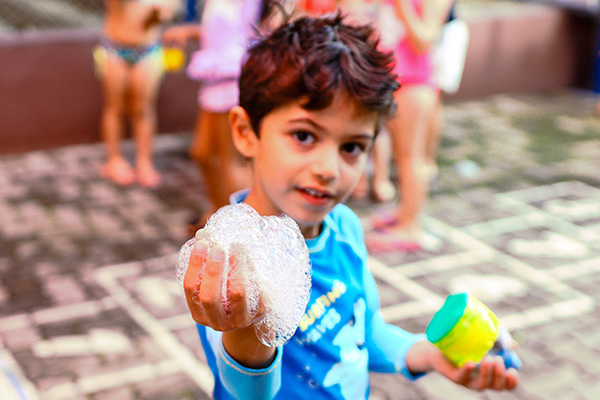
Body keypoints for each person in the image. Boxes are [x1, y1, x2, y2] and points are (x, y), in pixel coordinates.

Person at [180, 13, 520, 399]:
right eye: (304, 135)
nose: (328, 169)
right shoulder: (228, 257)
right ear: (245, 132)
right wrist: (246, 332)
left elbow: (365, 332)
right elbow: (246, 391)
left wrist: (428, 354)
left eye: (352, 147)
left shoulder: (344, 226)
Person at [163, 1, 280, 235]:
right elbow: (222, 31)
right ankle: (220, 213)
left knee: (230, 161)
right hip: (215, 82)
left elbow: (255, 30)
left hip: (231, 81)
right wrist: (188, 31)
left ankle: (247, 231)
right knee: (202, 152)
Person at [364, 0, 454, 252]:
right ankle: (404, 211)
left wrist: (403, 6)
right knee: (401, 158)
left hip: (415, 85)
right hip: (396, 80)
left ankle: (410, 227)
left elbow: (424, 39)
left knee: (411, 158)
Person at [97, 0, 178, 187]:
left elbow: (160, 18)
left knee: (143, 109)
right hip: (114, 48)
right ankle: (113, 160)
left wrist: (158, 12)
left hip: (147, 49)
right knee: (114, 107)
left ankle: (144, 162)